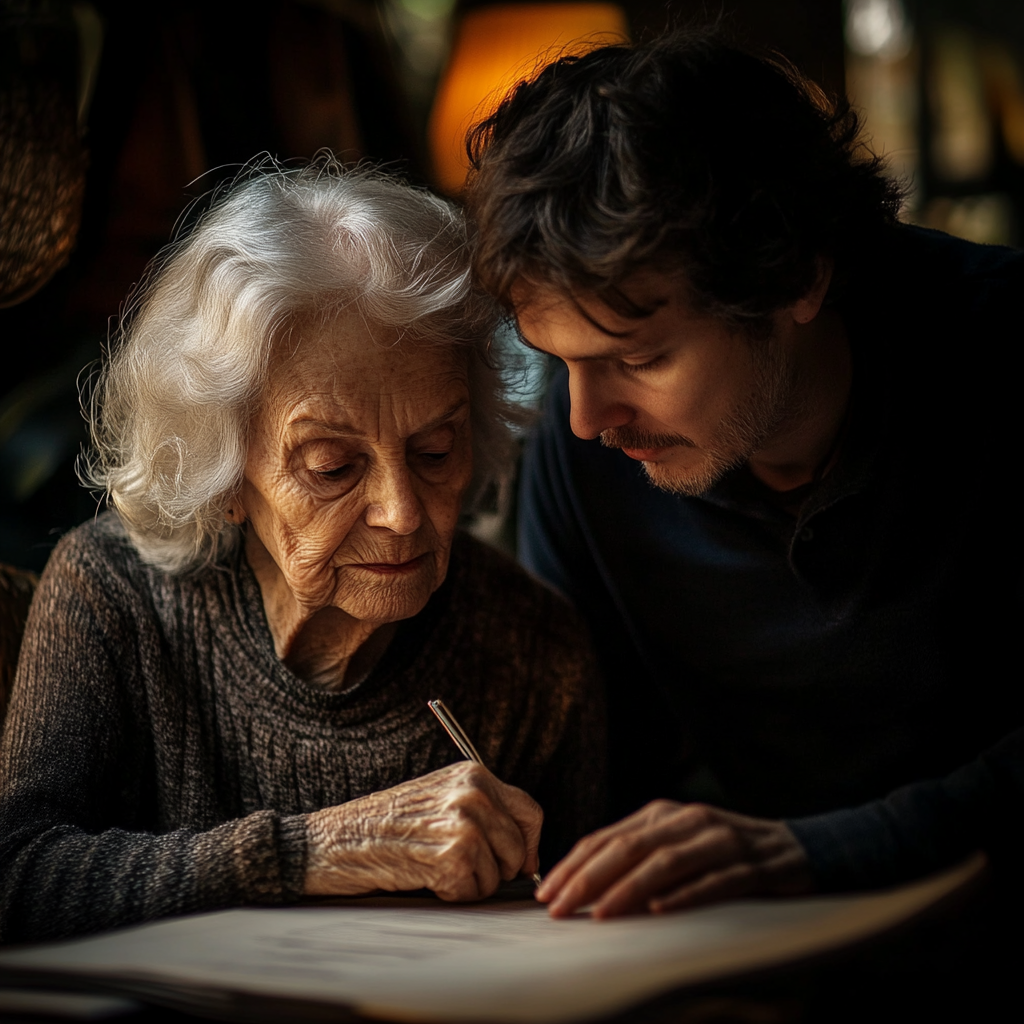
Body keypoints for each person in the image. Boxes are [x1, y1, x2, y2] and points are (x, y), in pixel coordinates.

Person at [464, 30, 1024, 919]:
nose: (585, 419)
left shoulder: (1003, 361)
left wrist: (816, 853)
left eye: (639, 358)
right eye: (557, 361)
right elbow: (593, 764)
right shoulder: (582, 448)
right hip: (748, 949)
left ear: (795, 277)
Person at [0, 160, 604, 943]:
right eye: (332, 466)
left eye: (435, 450)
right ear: (220, 472)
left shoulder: (534, 652)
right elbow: (19, 876)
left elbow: (588, 933)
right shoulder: (112, 593)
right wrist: (313, 850)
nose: (400, 513)